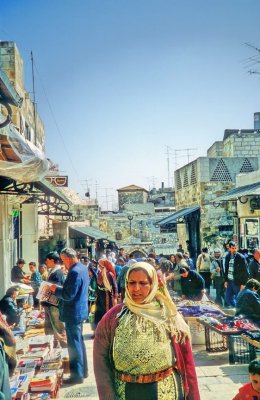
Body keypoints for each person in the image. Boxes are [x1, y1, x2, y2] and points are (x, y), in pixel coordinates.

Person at [93, 261, 200, 400]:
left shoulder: (169, 316)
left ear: (153, 284)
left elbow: (187, 361)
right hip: (125, 393)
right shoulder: (114, 317)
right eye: (132, 283)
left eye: (143, 283)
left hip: (166, 392)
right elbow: (100, 361)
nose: (136, 288)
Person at [49, 247, 89, 384]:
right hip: (79, 311)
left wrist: (56, 290)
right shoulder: (82, 268)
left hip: (73, 313)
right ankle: (83, 371)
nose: (63, 263)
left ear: (67, 258)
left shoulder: (74, 272)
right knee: (79, 342)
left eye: (63, 260)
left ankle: (76, 375)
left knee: (74, 344)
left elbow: (68, 294)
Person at [43, 251, 67, 349]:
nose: (45, 262)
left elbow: (57, 288)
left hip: (54, 305)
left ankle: (64, 349)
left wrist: (45, 288)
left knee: (58, 328)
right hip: (49, 303)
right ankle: (55, 348)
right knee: (50, 328)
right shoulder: (52, 271)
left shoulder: (58, 273)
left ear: (52, 260)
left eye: (47, 260)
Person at [224, 241, 250, 307]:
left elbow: (246, 271)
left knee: (238, 298)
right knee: (228, 298)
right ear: (229, 248)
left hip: (237, 282)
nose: (234, 250)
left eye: (235, 248)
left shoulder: (241, 257)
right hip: (229, 281)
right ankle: (236, 308)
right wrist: (225, 280)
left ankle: (238, 312)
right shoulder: (227, 256)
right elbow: (226, 269)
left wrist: (243, 283)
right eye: (232, 248)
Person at [94, 258, 118, 328]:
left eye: (100, 265)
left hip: (107, 295)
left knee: (107, 311)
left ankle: (108, 328)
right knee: (98, 311)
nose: (99, 266)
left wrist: (115, 297)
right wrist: (96, 292)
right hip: (100, 295)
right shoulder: (99, 273)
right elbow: (97, 285)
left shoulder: (110, 274)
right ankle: (98, 329)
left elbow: (114, 286)